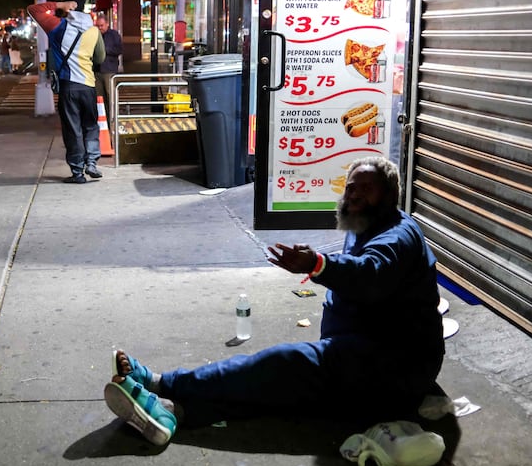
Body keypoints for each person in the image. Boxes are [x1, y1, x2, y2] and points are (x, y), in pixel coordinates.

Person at [104, 156, 445, 446]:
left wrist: (318, 265)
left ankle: (163, 383)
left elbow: (370, 273)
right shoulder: (364, 226)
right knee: (278, 388)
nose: (353, 195)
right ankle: (172, 413)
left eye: (365, 189)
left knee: (279, 365)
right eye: (351, 187)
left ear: (389, 197)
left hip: (391, 368)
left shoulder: (397, 236)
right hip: (363, 357)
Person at [27, 0, 106, 183]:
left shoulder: (57, 27)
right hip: (88, 86)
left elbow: (33, 9)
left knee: (73, 130)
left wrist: (59, 5)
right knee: (91, 126)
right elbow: (100, 57)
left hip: (68, 86)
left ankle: (78, 172)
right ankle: (92, 162)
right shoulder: (93, 31)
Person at [94, 15, 122, 130]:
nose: (100, 28)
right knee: (99, 98)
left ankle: (113, 122)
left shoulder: (113, 35)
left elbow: (119, 50)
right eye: (98, 25)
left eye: (101, 25)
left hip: (109, 70)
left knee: (111, 97)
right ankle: (102, 123)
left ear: (107, 24)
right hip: (97, 70)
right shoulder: (95, 35)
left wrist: (105, 50)